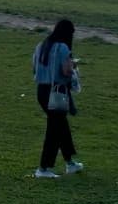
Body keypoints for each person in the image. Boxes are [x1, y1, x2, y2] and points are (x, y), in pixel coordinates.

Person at [32, 20, 84, 178]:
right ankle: (43, 168)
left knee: (60, 126)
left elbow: (34, 67)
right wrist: (73, 67)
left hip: (41, 90)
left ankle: (70, 162)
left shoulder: (41, 45)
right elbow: (66, 71)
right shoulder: (62, 48)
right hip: (56, 92)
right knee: (54, 129)